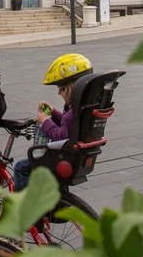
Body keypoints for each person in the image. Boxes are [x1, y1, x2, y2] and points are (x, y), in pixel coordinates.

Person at [11, 53, 93, 191]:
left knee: (20, 168)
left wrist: (45, 121)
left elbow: (59, 136)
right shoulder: (79, 110)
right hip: (73, 156)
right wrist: (53, 112)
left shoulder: (71, 114)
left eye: (61, 89)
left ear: (70, 89)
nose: (58, 93)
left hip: (62, 157)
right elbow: (68, 126)